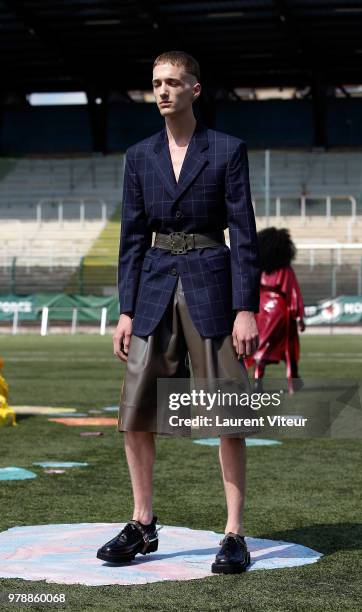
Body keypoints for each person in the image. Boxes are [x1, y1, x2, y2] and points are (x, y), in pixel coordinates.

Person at [96, 50, 261, 574]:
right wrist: (126, 309)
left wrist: (246, 308)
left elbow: (245, 233)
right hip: (153, 286)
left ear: (195, 88)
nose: (162, 91)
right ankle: (143, 524)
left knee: (228, 415)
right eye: (155, 83)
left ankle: (233, 534)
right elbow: (129, 239)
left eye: (172, 82)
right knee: (136, 412)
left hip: (213, 281)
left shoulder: (228, 150)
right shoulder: (138, 156)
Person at [244, 227, 305, 394]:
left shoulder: (258, 269)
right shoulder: (285, 270)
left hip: (260, 308)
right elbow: (292, 292)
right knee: (288, 346)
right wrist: (299, 316)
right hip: (279, 309)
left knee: (261, 347)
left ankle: (257, 380)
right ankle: (293, 381)